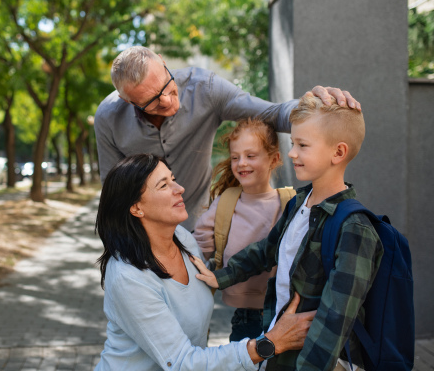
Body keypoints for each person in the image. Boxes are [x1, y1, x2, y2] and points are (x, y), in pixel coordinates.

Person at [191, 94, 383, 370]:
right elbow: (266, 250)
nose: (292, 153)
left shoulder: (355, 229)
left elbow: (336, 318)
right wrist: (220, 277)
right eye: (293, 143)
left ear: (338, 153)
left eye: (302, 145)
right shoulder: (298, 203)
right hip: (280, 349)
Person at [94, 46, 361, 230]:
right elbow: (113, 187)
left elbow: (272, 113)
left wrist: (314, 106)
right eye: (152, 101)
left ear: (164, 62)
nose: (167, 101)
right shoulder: (108, 117)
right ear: (127, 100)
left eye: (167, 85)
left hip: (195, 224)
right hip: (142, 228)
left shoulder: (205, 88)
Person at [94, 153, 316, 370]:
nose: (179, 188)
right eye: (163, 185)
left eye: (173, 179)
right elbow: (182, 362)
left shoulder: (182, 239)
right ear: (136, 208)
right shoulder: (129, 278)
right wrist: (270, 343)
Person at [193, 118, 293, 343]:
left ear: (274, 159)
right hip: (246, 316)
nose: (241, 163)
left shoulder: (290, 203)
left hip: (285, 314)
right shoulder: (226, 202)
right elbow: (197, 248)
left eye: (251, 155)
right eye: (235, 157)